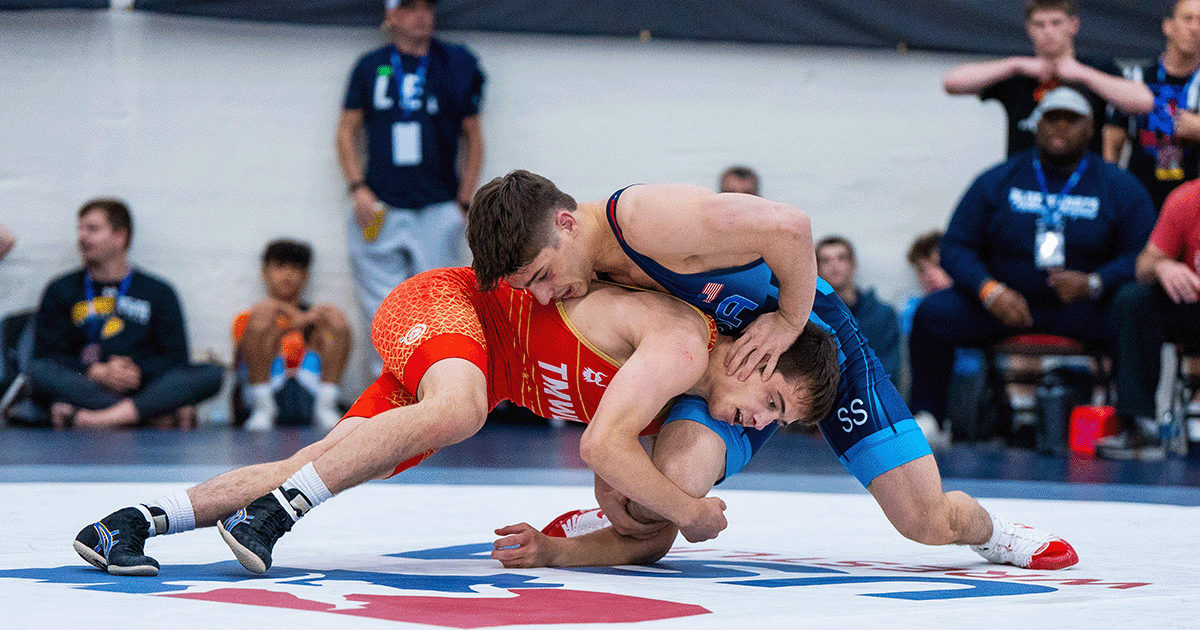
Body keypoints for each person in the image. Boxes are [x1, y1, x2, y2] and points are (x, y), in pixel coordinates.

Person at [465, 170, 1078, 570]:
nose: (545, 294)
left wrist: (788, 320)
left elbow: (791, 226)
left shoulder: (648, 221)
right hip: (730, 378)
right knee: (668, 494)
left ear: (567, 224)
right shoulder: (578, 265)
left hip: (814, 347)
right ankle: (614, 515)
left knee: (923, 522)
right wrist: (621, 481)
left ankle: (992, 530)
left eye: (544, 275)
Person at [73, 267, 840, 576]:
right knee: (461, 412)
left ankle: (132, 523)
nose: (753, 422)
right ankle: (273, 517)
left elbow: (645, 526)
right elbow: (600, 445)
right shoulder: (679, 341)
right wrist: (693, 510)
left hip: (466, 362)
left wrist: (553, 551)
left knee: (334, 457)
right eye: (770, 405)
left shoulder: (672, 400)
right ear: (759, 353)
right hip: (452, 309)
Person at [910, 87, 1156, 428]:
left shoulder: (1119, 186)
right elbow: (955, 247)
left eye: (1072, 120)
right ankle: (929, 418)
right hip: (1005, 305)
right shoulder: (998, 179)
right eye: (1052, 118)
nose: (1060, 127)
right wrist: (989, 291)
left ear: (1090, 129)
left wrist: (1096, 283)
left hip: (1083, 307)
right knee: (932, 313)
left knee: (1137, 308)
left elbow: (1144, 255)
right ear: (1036, 125)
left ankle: (1135, 421)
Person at [336, 0, 485, 374]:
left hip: (437, 204)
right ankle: (386, 386)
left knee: (439, 303)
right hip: (383, 202)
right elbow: (345, 131)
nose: (420, 15)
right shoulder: (371, 66)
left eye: (426, 7)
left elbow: (475, 139)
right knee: (381, 303)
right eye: (408, 7)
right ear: (390, 16)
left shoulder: (455, 62)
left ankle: (439, 384)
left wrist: (463, 202)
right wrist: (358, 187)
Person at [27, 199, 222, 428]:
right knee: (38, 372)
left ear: (120, 236)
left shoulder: (158, 291)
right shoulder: (61, 289)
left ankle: (95, 418)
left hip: (143, 383)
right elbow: (47, 355)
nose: (82, 237)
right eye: (80, 229)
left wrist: (137, 371)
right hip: (88, 383)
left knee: (213, 373)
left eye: (92, 229)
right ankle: (148, 415)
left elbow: (175, 358)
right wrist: (95, 371)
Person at [943, 0, 1153, 157]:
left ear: (1074, 25)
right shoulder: (1017, 72)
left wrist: (1082, 74)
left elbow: (1144, 102)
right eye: (1040, 24)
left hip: (1083, 182)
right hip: (1025, 181)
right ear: (1029, 28)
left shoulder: (1095, 68)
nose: (1048, 31)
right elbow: (952, 83)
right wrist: (1015, 65)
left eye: (1056, 23)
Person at [1100, 179, 1200, 458]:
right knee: (1134, 299)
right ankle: (1140, 425)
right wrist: (1164, 265)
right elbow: (1144, 265)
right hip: (1192, 306)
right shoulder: (1186, 199)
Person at [233, 240, 351, 431]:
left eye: (295, 268)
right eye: (280, 267)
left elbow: (334, 331)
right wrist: (295, 320)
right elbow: (242, 360)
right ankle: (263, 408)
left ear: (305, 276)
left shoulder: (317, 318)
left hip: (309, 394)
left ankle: (326, 405)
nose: (288, 274)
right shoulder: (250, 317)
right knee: (259, 324)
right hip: (268, 392)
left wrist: (304, 319)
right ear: (265, 272)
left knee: (336, 322)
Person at [1103, 0, 1200, 211]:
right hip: (1140, 200)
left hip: (1193, 207)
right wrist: (1112, 193)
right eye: (1188, 19)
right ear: (1168, 26)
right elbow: (1112, 140)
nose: (1194, 28)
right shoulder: (1137, 78)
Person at [815, 235, 901, 376]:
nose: (834, 265)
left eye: (841, 258)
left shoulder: (882, 314)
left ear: (853, 264)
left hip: (874, 393)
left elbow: (890, 368)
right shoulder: (811, 317)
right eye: (826, 260)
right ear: (816, 268)